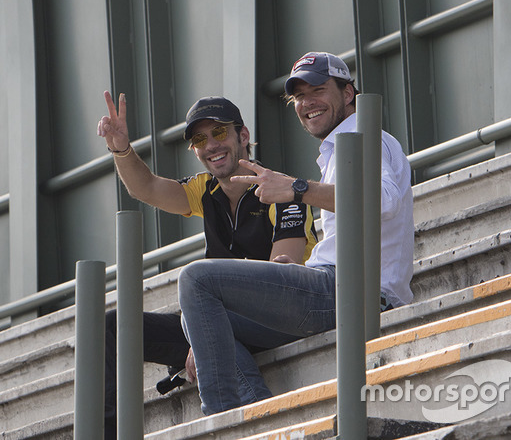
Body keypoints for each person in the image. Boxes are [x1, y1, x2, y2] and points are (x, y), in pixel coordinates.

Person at [177, 51, 414, 415]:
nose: (307, 103)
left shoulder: (365, 135)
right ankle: (261, 415)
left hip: (356, 292)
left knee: (196, 280)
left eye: (317, 89)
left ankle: (224, 421)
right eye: (299, 96)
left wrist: (298, 189)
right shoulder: (338, 149)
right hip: (331, 287)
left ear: (348, 93)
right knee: (197, 315)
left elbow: (383, 201)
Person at [96, 91, 318, 438]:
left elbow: (281, 279)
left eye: (219, 133)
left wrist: (204, 332)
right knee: (110, 327)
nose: (211, 145)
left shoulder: (279, 189)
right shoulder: (204, 190)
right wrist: (121, 149)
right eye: (200, 139)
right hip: (216, 319)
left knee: (201, 307)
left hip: (279, 319)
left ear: (243, 136)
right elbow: (147, 188)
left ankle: (257, 421)